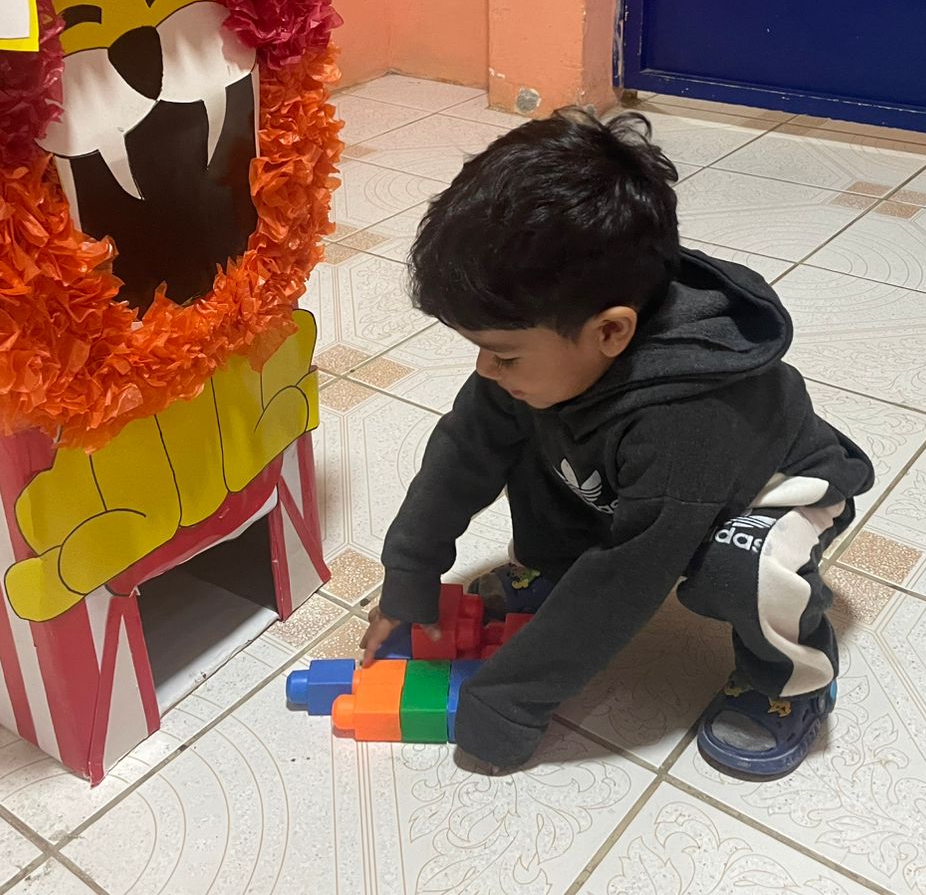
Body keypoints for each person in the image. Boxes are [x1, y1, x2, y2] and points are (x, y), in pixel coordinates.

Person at [359, 108, 874, 777]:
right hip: (640, 481)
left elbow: (627, 581)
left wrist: (509, 704)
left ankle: (791, 682)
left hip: (775, 493)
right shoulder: (548, 353)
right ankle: (552, 571)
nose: (485, 369)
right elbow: (463, 453)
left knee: (740, 567)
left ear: (610, 331)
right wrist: (409, 579)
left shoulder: (686, 420)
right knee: (526, 424)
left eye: (504, 354)